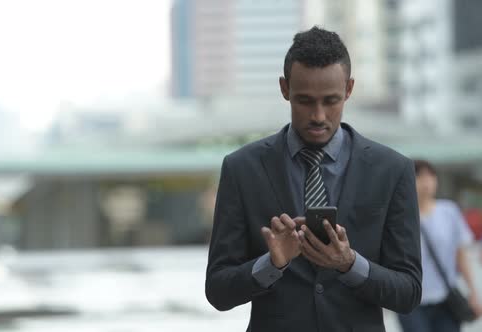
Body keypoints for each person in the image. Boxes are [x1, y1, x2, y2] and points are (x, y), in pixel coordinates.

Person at [205, 26, 422, 332]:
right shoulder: (242, 169)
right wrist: (272, 263)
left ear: (349, 89)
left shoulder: (393, 170)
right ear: (285, 89)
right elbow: (218, 291)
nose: (319, 115)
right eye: (305, 101)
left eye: (331, 101)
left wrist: (349, 263)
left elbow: (409, 292)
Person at [397, 160, 482, 332]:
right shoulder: (399, 216)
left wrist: (473, 292)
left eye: (431, 176)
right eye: (419, 176)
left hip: (445, 299)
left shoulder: (449, 211)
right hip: (412, 302)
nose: (426, 182)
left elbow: (460, 254)